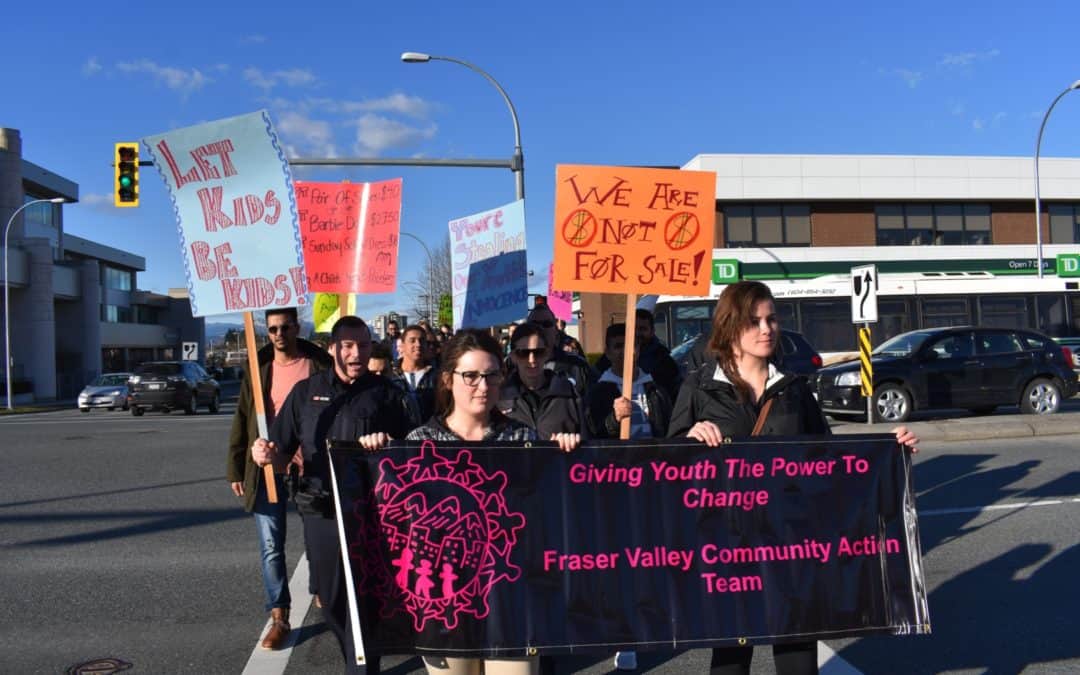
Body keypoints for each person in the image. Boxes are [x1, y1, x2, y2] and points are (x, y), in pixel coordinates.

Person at [667, 281, 918, 675]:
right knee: (730, 658)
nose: (767, 329)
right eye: (755, 321)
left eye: (771, 319)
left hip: (791, 542)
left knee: (798, 655)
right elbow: (667, 468)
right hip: (726, 542)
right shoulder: (698, 387)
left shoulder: (795, 389)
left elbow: (828, 462)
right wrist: (689, 438)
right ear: (731, 326)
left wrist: (885, 449)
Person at [394, 329, 579, 675]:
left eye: (492, 375)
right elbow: (396, 525)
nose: (483, 386)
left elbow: (552, 513)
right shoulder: (419, 443)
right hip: (445, 602)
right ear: (449, 380)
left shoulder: (523, 438)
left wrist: (564, 456)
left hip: (512, 602)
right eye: (471, 376)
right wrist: (372, 452)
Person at [251, 316, 411, 674]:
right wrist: (264, 454)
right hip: (320, 509)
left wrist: (385, 446)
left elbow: (410, 451)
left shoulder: (385, 393)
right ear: (332, 348)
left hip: (372, 513)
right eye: (348, 346)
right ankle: (353, 649)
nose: (357, 353)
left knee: (369, 596)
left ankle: (363, 664)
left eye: (364, 345)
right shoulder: (306, 393)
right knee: (332, 596)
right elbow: (280, 452)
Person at [226, 307, 332, 650]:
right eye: (272, 329)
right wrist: (236, 464)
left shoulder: (318, 363)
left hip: (310, 466)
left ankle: (321, 590)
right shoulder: (258, 368)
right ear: (266, 331)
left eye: (285, 327)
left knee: (317, 538)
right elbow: (244, 416)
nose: (279, 334)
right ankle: (279, 614)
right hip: (266, 467)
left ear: (296, 327)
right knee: (271, 546)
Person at [499, 322, 588, 441]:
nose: (532, 360)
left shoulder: (568, 393)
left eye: (538, 352)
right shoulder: (500, 397)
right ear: (513, 356)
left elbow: (587, 449)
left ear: (547, 353)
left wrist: (572, 444)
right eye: (523, 353)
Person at [588, 323, 672, 440]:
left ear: (638, 349)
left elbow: (669, 430)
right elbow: (592, 435)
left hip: (653, 456)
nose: (625, 351)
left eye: (631, 345)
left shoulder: (655, 389)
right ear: (608, 353)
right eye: (618, 346)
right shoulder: (598, 392)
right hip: (618, 457)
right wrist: (613, 420)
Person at [595, 309, 681, 401]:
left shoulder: (664, 360)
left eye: (642, 329)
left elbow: (675, 393)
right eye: (634, 328)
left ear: (652, 331)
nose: (637, 333)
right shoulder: (609, 359)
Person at [521, 303, 597, 399]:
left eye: (546, 324)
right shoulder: (512, 365)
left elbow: (594, 404)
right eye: (534, 324)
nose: (540, 328)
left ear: (556, 332)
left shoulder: (578, 366)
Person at [388, 324, 438, 430]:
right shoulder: (390, 378)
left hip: (430, 442)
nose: (418, 344)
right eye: (412, 340)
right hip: (399, 442)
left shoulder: (437, 377)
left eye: (422, 340)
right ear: (402, 345)